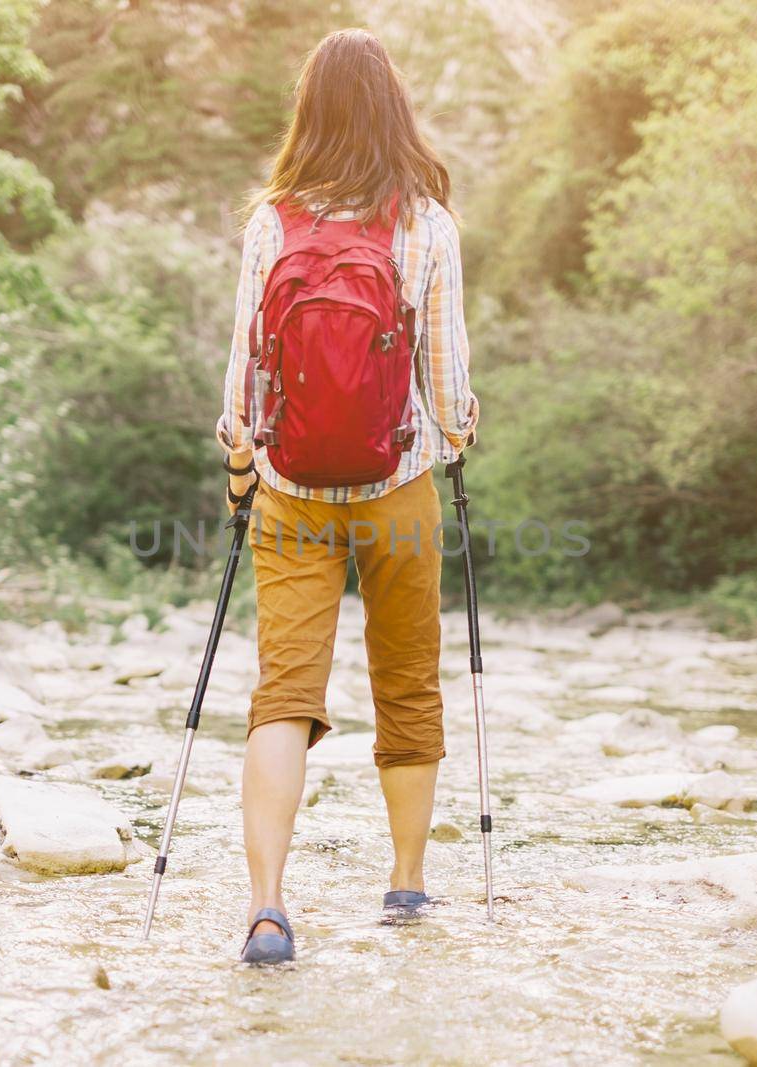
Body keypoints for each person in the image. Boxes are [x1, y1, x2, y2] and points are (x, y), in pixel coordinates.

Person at [216, 28, 479, 965]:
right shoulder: (426, 225)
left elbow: (242, 391)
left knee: (284, 695)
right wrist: (462, 430)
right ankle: (406, 884)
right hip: (398, 486)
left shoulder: (272, 221)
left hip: (289, 493)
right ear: (394, 110)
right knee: (407, 683)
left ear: (309, 112)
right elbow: (447, 394)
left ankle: (267, 909)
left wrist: (243, 466)